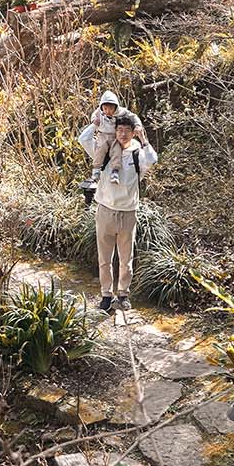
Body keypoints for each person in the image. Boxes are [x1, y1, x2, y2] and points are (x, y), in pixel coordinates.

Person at [77, 108, 157, 315]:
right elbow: (84, 139)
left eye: (127, 130)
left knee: (125, 259)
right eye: (119, 129)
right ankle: (106, 295)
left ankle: (123, 294)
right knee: (104, 258)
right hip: (105, 211)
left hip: (128, 213)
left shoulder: (138, 153)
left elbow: (153, 160)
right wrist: (96, 123)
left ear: (133, 132)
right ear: (115, 130)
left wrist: (143, 136)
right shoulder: (104, 150)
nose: (122, 134)